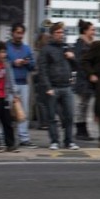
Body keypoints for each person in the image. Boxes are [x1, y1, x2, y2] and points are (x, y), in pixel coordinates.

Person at [37, 22, 80, 151]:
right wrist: (47, 87)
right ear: (52, 34)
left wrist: (72, 58)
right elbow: (42, 70)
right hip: (53, 87)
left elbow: (77, 67)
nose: (61, 35)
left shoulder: (67, 47)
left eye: (62, 32)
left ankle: (69, 141)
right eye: (58, 32)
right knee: (52, 116)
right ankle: (54, 140)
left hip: (67, 86)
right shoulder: (46, 50)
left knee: (69, 115)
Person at [5, 23, 38, 149]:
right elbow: (3, 61)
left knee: (23, 112)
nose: (20, 35)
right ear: (12, 33)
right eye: (17, 33)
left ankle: (24, 137)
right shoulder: (6, 47)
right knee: (7, 111)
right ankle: (4, 137)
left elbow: (33, 65)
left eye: (21, 33)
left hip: (23, 82)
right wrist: (14, 62)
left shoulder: (26, 48)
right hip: (9, 83)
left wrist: (27, 62)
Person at [73, 19, 95, 141]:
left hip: (87, 80)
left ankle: (83, 129)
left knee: (85, 106)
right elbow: (79, 62)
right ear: (85, 31)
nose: (93, 32)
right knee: (81, 105)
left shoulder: (89, 43)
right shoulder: (81, 44)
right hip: (82, 80)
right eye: (92, 30)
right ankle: (80, 130)